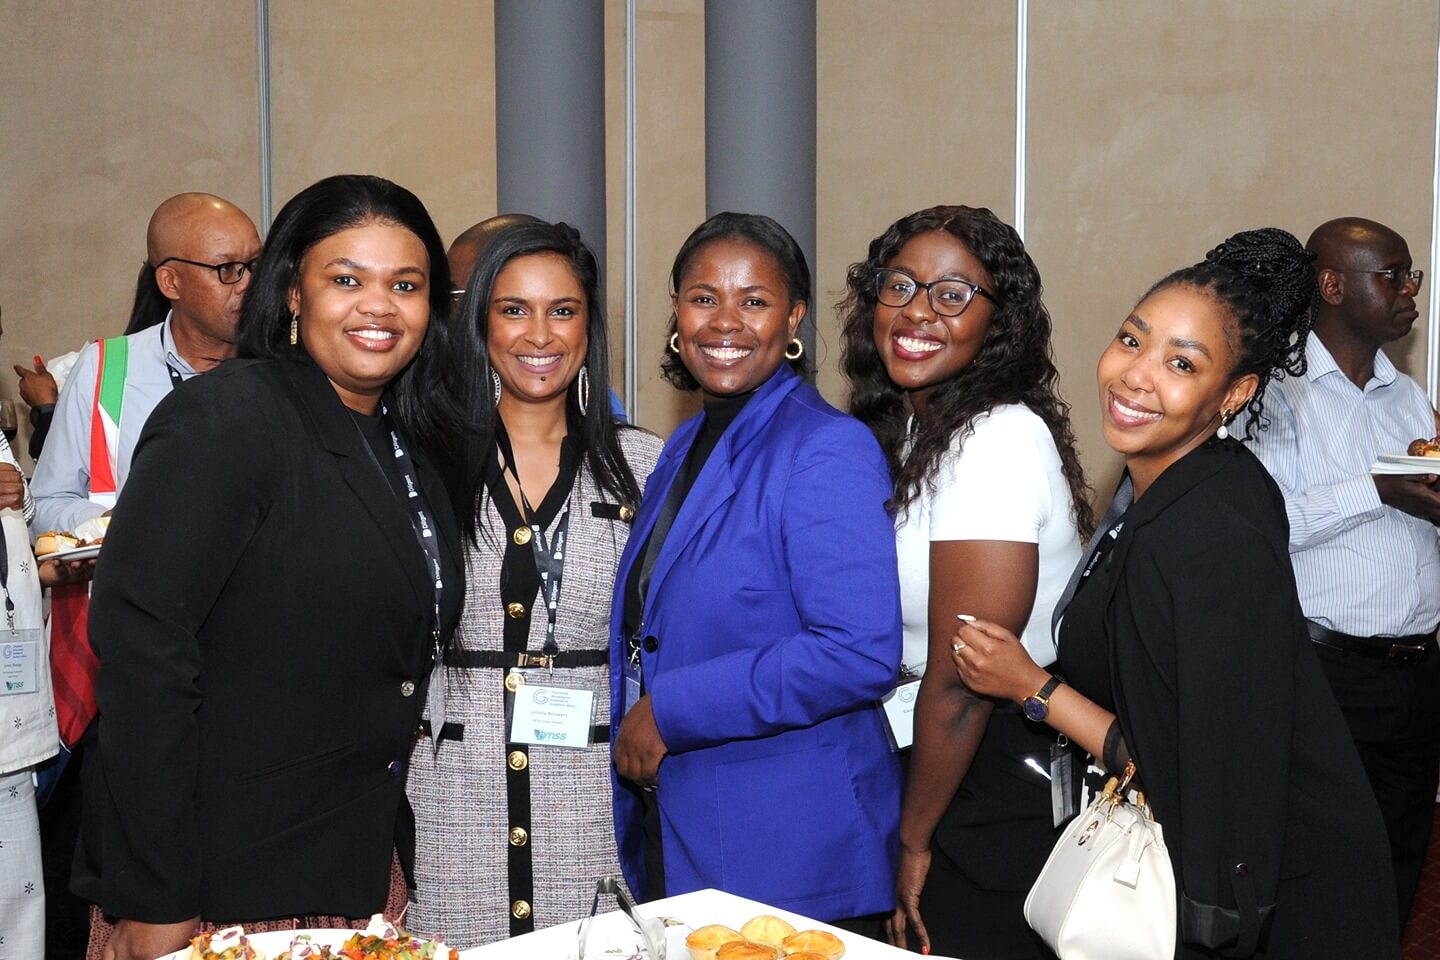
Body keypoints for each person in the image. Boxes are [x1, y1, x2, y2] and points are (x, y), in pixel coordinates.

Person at [951, 228, 1399, 959]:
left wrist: (1031, 688)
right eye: (1133, 340)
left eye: (1181, 363)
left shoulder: (1204, 530)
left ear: (1236, 394)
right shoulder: (1178, 484)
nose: (1136, 376)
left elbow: (1181, 764)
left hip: (1277, 902)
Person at [72, 174, 465, 960]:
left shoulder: (410, 441)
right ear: (290, 292)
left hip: (350, 870)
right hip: (219, 889)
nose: (378, 306)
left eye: (406, 284)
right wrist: (157, 898)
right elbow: (145, 658)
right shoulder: (226, 419)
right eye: (346, 279)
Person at [610, 212, 902, 924]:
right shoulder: (682, 446)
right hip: (686, 828)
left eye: (755, 300)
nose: (725, 321)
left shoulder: (826, 448)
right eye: (704, 297)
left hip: (792, 848)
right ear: (677, 309)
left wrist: (671, 710)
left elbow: (857, 652)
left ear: (793, 316)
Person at [840, 205, 1092, 959]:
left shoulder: (994, 440)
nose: (919, 312)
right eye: (901, 286)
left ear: (1000, 323)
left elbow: (964, 674)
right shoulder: (925, 428)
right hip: (943, 755)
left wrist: (912, 841)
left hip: (986, 777)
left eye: (952, 295)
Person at [405, 219, 660, 947]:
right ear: (478, 322)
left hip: (592, 794)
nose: (538, 334)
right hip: (451, 790)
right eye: (513, 309)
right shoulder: (420, 459)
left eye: (563, 309)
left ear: (590, 325)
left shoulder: (644, 464)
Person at [1241, 217, 1440, 933]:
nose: (1410, 287)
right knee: (1317, 870)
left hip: (1417, 672)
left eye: (1411, 272)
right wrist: (1379, 490)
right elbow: (1258, 525)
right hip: (1323, 672)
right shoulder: (1270, 397)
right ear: (1331, 284)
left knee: (1398, 861)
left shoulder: (1410, 399)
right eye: (1393, 273)